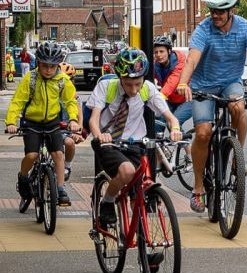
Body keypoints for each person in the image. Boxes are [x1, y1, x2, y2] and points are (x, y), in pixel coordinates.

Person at [175, 0, 247, 213]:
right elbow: (192, 59)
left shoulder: (245, 28)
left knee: (238, 108)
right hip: (203, 84)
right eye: (212, 11)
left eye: (220, 11)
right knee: (203, 132)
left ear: (232, 10)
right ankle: (199, 188)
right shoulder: (203, 29)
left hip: (230, 82)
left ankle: (236, 155)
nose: (215, 15)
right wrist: (183, 82)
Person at [86, 48, 182, 227]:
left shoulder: (147, 89)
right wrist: (100, 135)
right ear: (120, 77)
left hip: (136, 143)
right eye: (128, 84)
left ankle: (143, 244)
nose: (134, 89)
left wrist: (175, 128)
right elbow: (94, 119)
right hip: (109, 143)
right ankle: (107, 201)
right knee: (127, 171)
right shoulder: (106, 87)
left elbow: (169, 116)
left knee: (138, 194)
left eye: (137, 83)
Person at [5, 42, 80, 207]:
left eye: (52, 66)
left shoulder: (62, 80)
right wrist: (11, 121)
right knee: (32, 156)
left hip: (52, 122)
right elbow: (17, 101)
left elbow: (70, 101)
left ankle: (60, 188)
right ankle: (23, 176)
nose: (48, 70)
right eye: (45, 66)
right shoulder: (30, 78)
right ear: (38, 63)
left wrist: (73, 120)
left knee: (58, 154)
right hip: (32, 122)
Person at [153, 35, 192, 131]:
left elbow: (172, 82)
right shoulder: (156, 65)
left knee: (174, 122)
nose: (158, 55)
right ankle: (158, 145)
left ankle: (186, 146)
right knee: (157, 123)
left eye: (161, 51)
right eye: (156, 52)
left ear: (169, 51)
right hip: (170, 100)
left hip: (187, 100)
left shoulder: (179, 63)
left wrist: (160, 96)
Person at [58, 62, 84, 181]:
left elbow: (79, 115)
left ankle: (67, 166)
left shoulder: (75, 96)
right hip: (49, 126)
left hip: (65, 128)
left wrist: (78, 131)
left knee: (69, 143)